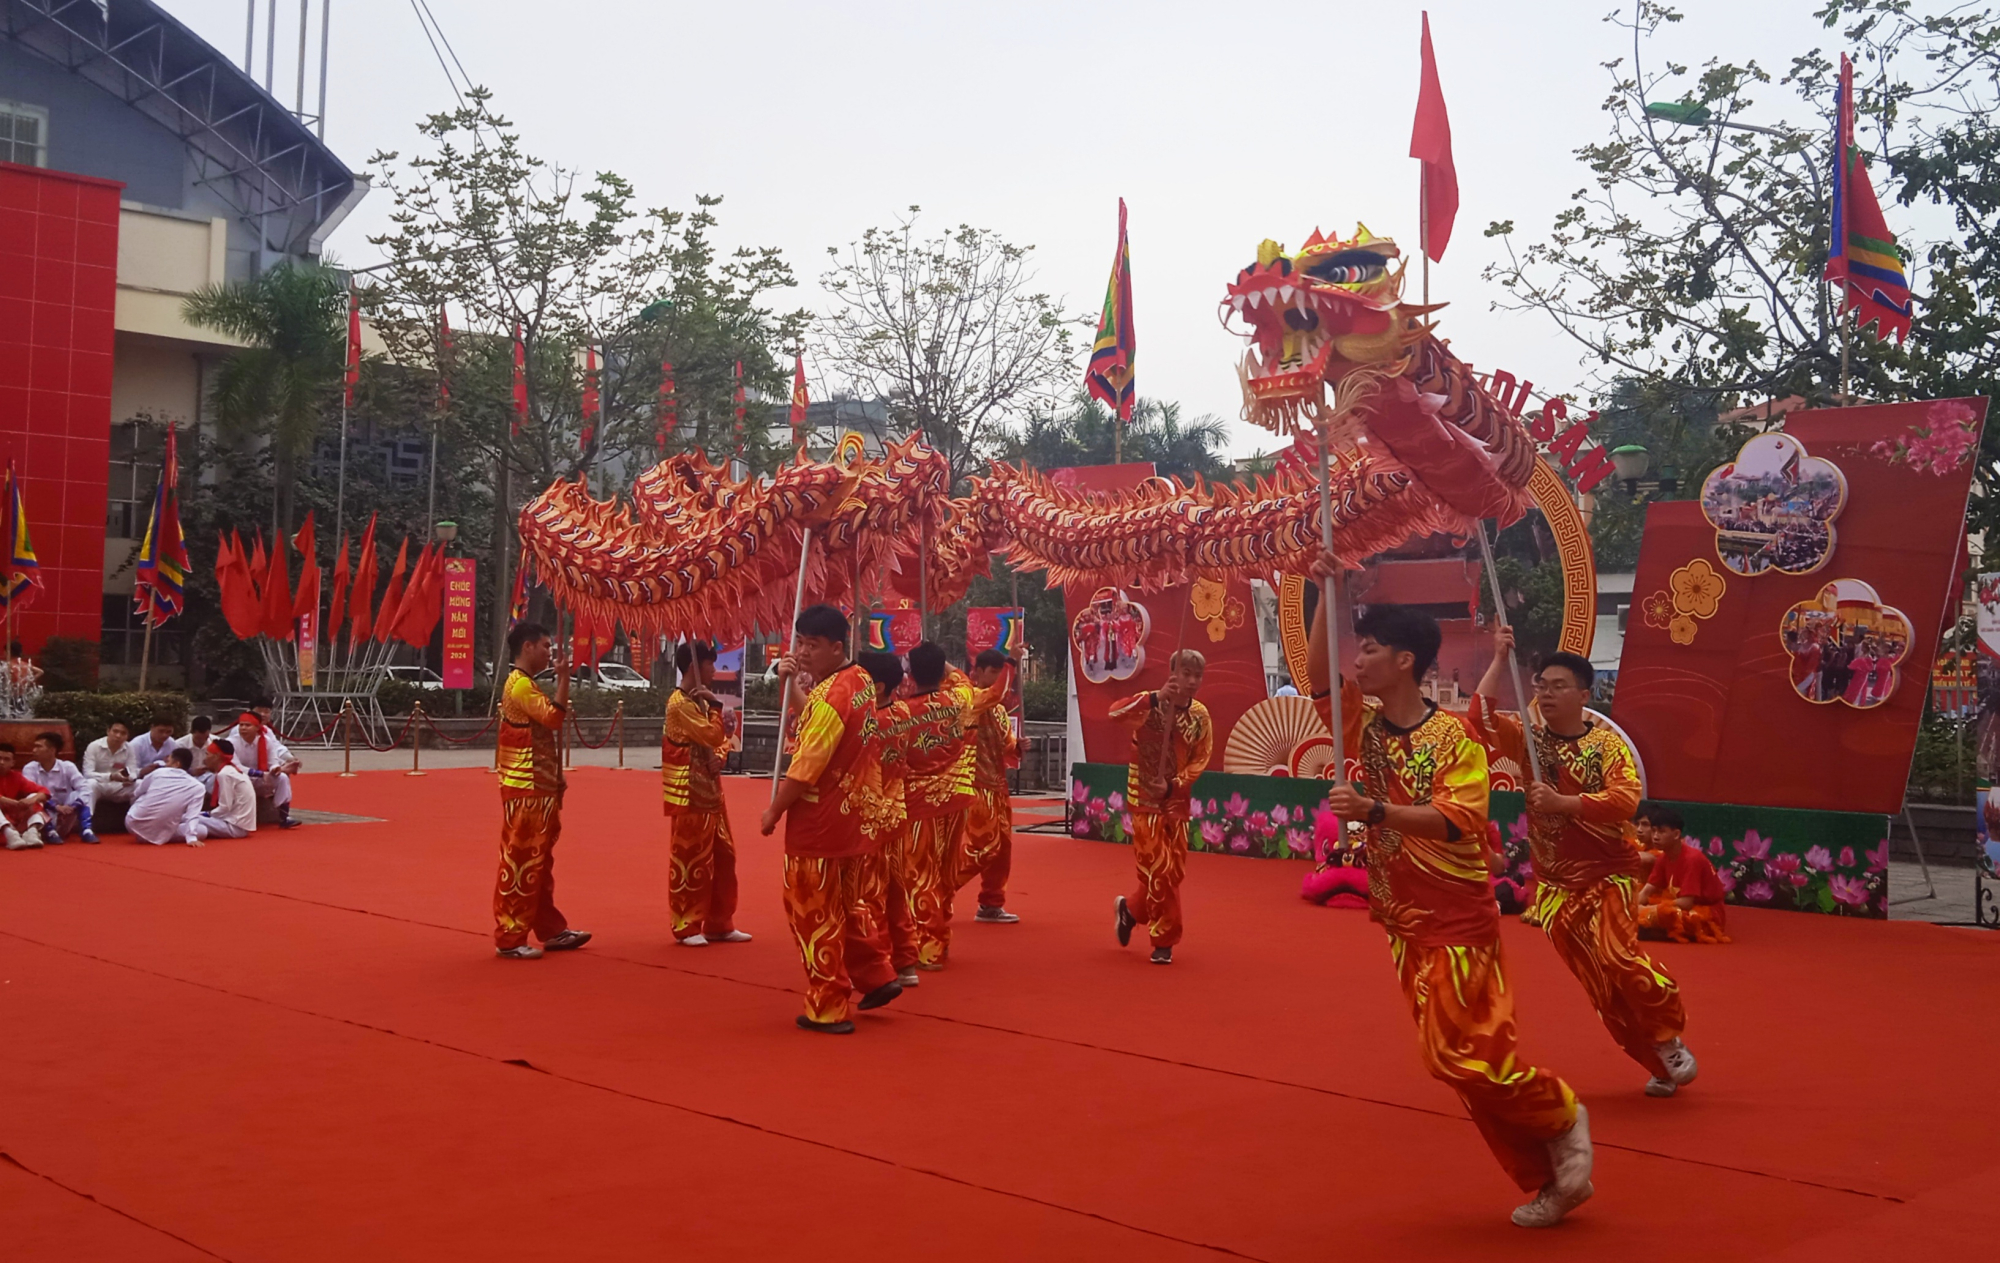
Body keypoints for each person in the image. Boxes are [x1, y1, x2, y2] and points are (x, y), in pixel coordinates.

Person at [1309, 590, 1592, 1229]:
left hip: (1459, 918)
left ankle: (1560, 1110)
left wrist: (1376, 812)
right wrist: (1323, 586)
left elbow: (1459, 820)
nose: (1358, 661)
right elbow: (1317, 668)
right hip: (1402, 922)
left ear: (1405, 660)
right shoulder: (1361, 724)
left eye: (1371, 649)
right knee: (1465, 1071)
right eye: (1358, 648)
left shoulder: (1453, 738)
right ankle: (1548, 1178)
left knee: (1456, 1057)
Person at [1469, 628, 1700, 1102]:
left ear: (1583, 694)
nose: (1546, 694)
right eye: (1540, 686)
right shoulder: (1528, 740)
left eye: (1557, 686)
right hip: (1554, 887)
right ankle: (1657, 1063)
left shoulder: (1606, 747)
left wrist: (1562, 801)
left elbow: (1623, 800)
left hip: (1609, 874)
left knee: (1619, 957)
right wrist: (1498, 656)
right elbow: (1481, 717)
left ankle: (1667, 1029)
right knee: (1601, 989)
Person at [760, 604, 900, 1033]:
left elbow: (805, 767)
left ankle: (829, 1003)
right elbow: (822, 720)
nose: (803, 652)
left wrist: (773, 811)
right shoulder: (857, 680)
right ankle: (876, 974)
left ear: (836, 646)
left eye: (812, 645)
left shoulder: (834, 693)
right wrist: (791, 684)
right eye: (800, 642)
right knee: (846, 905)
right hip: (852, 820)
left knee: (812, 913)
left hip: (818, 825)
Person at [492, 621, 591, 959]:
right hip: (527, 789)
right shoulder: (519, 686)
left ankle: (550, 929)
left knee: (539, 862)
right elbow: (553, 718)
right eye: (546, 646)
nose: (550, 652)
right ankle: (510, 936)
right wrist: (564, 680)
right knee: (521, 861)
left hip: (540, 787)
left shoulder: (526, 685)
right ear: (528, 647)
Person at [1110, 649, 1213, 965]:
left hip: (1176, 801)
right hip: (1143, 799)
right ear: (1172, 673)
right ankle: (1164, 940)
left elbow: (1200, 758)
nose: (1192, 681)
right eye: (1185, 673)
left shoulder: (1200, 716)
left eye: (1197, 675)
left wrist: (1173, 785)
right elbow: (1115, 714)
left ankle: (1130, 910)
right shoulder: (1148, 703)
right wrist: (1155, 698)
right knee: (1159, 868)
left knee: (1174, 872)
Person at [901, 641, 986, 971]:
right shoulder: (961, 698)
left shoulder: (903, 713)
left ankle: (930, 946)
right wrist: (940, 664)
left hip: (919, 804)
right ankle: (941, 935)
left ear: (910, 674)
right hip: (956, 799)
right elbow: (962, 678)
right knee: (945, 873)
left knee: (920, 875)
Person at [662, 640, 749, 947]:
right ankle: (686, 924)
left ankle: (719, 922)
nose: (715, 669)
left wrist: (718, 754)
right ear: (694, 668)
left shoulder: (695, 702)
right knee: (691, 859)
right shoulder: (680, 704)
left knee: (724, 856)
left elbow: (716, 741)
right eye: (710, 664)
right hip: (689, 793)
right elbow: (712, 733)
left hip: (711, 792)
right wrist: (714, 706)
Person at [857, 650, 923, 988]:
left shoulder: (874, 722)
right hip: (898, 814)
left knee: (872, 893)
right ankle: (906, 961)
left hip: (874, 817)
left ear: (878, 686)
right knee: (897, 891)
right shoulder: (900, 712)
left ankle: (881, 962)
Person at [962, 649, 1020, 925]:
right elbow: (996, 692)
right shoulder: (971, 699)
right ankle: (936, 890)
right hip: (975, 785)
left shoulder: (998, 710)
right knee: (983, 848)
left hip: (997, 786)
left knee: (1003, 848)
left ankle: (991, 902)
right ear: (979, 671)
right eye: (994, 672)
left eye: (1001, 672)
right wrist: (1012, 662)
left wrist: (1017, 747)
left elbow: (1005, 746)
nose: (999, 678)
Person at [1637, 805, 1730, 944]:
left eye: (1661, 832)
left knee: (1669, 915)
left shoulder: (1692, 859)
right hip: (1679, 906)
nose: (1655, 837)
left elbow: (1686, 903)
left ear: (1676, 834)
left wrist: (1649, 910)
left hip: (1706, 914)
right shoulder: (1663, 858)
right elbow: (1646, 892)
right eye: (1654, 831)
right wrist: (1631, 907)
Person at [221, 712, 302, 829]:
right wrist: (262, 774)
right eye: (241, 725)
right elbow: (237, 766)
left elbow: (272, 762)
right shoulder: (230, 742)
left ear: (257, 727)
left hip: (262, 778)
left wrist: (277, 769)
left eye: (247, 725)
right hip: (241, 778)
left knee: (283, 778)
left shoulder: (266, 741)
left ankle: (284, 817)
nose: (243, 728)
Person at [125, 748, 206, 847]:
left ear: (176, 764)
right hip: (161, 832)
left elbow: (137, 793)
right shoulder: (198, 786)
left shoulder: (158, 773)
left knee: (140, 785)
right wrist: (191, 838)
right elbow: (192, 815)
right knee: (202, 830)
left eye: (168, 761)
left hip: (133, 823)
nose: (166, 764)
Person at [24, 731, 95, 843]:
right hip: (43, 818)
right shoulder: (30, 768)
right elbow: (29, 793)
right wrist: (55, 807)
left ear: (52, 750)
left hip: (66, 816)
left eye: (38, 747)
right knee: (33, 796)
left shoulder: (67, 766)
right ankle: (50, 832)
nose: (34, 750)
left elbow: (84, 788)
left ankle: (87, 830)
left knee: (82, 791)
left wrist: (73, 805)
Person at [188, 739, 257, 843]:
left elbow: (225, 807)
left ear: (216, 756)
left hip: (234, 826)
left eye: (207, 754)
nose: (204, 759)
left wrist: (207, 813)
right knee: (193, 818)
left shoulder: (224, 774)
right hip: (238, 824)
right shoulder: (231, 770)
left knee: (188, 817)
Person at [83, 721, 138, 828]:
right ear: (108, 731)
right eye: (115, 731)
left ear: (127, 736)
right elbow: (87, 774)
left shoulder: (130, 748)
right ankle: (86, 824)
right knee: (89, 784)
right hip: (100, 785)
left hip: (119, 786)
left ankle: (136, 821)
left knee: (139, 785)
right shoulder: (94, 746)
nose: (118, 736)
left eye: (123, 733)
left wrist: (129, 779)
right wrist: (110, 776)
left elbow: (133, 771)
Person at [0, 742, 52, 849]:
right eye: (0, 758)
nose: (1, 762)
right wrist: (15, 803)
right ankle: (9, 833)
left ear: (12, 763)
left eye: (6, 759)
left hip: (12, 816)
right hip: (4, 818)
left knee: (35, 796)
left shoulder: (16, 777)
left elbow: (44, 791)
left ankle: (32, 831)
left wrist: (32, 800)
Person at [176, 715, 219, 795]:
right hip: (187, 778)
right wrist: (191, 771)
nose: (202, 742)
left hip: (209, 777)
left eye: (205, 738)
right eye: (198, 738)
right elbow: (174, 767)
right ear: (192, 732)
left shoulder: (216, 742)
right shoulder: (180, 744)